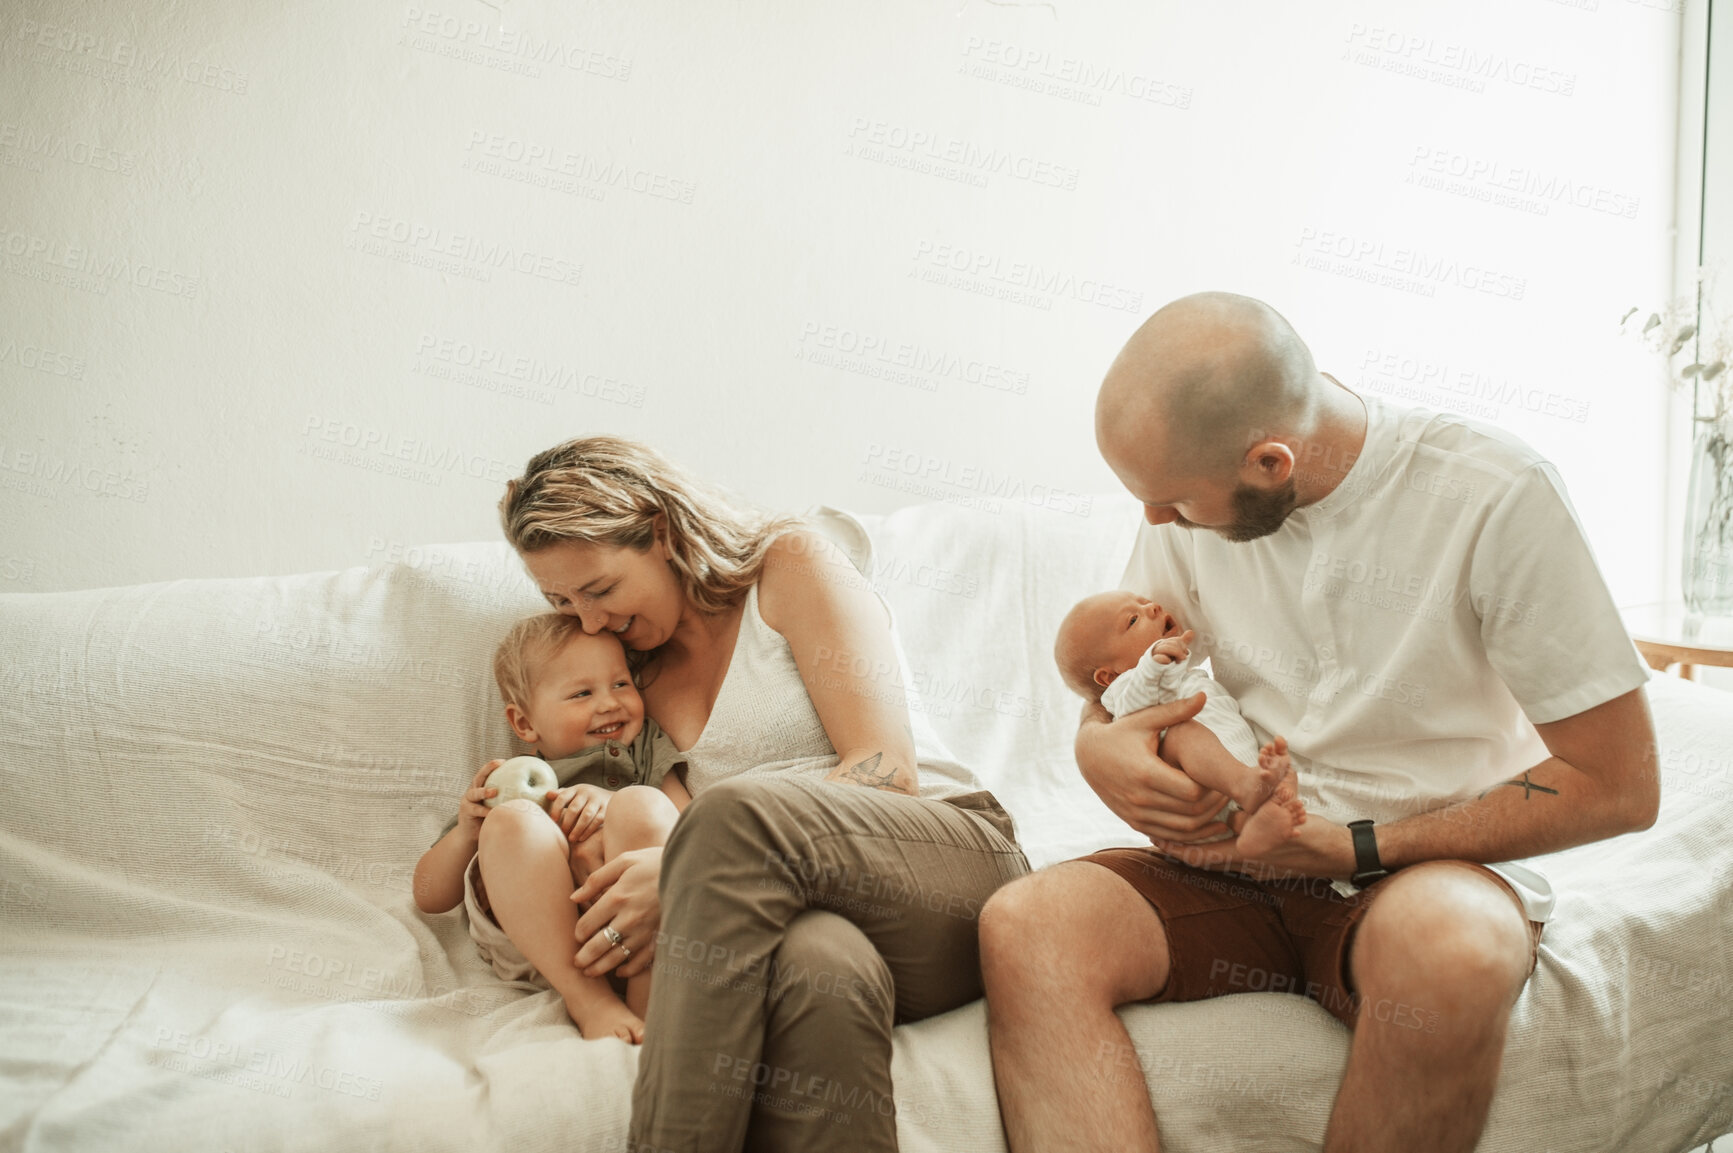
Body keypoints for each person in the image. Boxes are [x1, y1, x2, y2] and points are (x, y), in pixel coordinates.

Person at [979, 291, 1659, 1153]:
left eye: (1173, 503)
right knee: (1025, 926)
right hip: (1232, 861)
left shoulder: (1494, 496)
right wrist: (1095, 749)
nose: (1153, 522)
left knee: (1452, 952)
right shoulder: (1192, 505)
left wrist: (1355, 846)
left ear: (1269, 462)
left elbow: (1620, 785)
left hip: (1422, 865)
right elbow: (1130, 681)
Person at [490, 435, 1031, 1151]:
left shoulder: (788, 565)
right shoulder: (631, 679)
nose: (588, 621)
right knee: (820, 969)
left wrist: (694, 867)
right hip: (809, 911)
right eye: (560, 599)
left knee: (731, 815)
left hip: (942, 864)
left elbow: (885, 765)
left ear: (660, 531)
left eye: (599, 589)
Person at [412, 614, 689, 1043]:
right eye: (582, 693)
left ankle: (647, 996)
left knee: (643, 803)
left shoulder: (643, 750)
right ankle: (589, 1001)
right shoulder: (510, 780)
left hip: (639, 918)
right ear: (524, 724)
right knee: (512, 822)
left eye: (622, 683)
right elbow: (429, 896)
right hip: (541, 939)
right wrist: (469, 830)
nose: (610, 703)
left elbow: (693, 828)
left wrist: (612, 803)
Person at [1054, 590, 1304, 856]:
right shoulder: (1124, 688)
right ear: (1108, 676)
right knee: (1182, 733)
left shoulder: (1178, 676)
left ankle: (1258, 824)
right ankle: (1247, 794)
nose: (1152, 608)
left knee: (1286, 774)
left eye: (1144, 602)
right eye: (1132, 621)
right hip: (1197, 791)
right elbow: (1133, 706)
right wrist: (1152, 665)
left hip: (1231, 784)